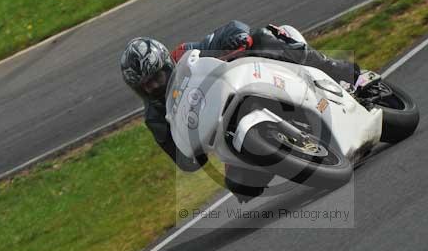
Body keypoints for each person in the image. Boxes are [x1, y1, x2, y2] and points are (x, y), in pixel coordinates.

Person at [120, 20, 371, 201]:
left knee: (261, 37)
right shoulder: (155, 118)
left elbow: (222, 34)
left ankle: (349, 75)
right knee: (241, 188)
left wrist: (237, 38)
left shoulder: (184, 54)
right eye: (145, 86)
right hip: (224, 133)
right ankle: (290, 148)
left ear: (166, 62)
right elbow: (185, 162)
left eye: (156, 77)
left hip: (245, 86)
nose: (153, 86)